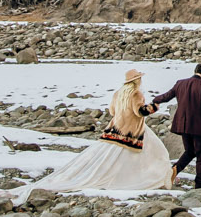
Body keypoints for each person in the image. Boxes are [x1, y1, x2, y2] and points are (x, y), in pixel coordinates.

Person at [17, 69, 174, 198]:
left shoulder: (118, 93)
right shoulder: (136, 94)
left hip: (116, 128)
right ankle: (154, 177)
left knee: (118, 156)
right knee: (156, 151)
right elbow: (139, 111)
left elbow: (112, 110)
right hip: (132, 130)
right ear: (137, 80)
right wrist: (154, 106)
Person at [155, 62, 201, 189]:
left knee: (190, 151)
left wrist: (155, 100)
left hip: (183, 125)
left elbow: (167, 96)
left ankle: (174, 169)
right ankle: (200, 186)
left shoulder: (180, 83)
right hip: (199, 126)